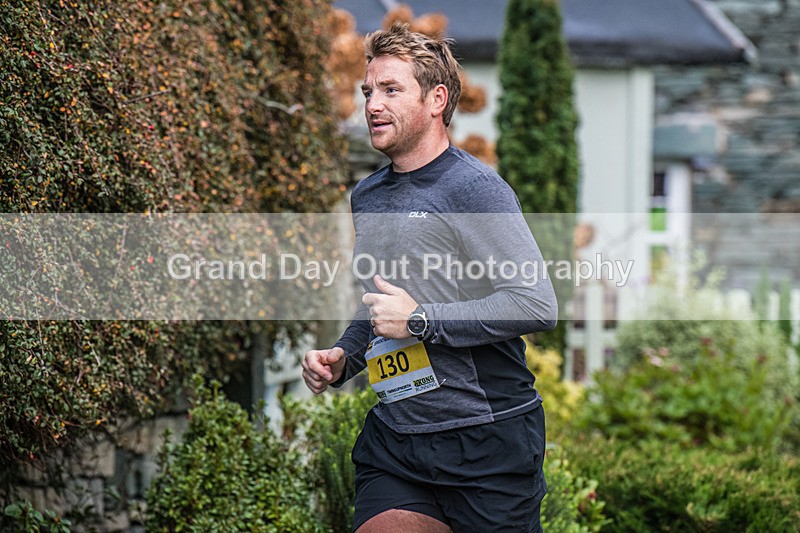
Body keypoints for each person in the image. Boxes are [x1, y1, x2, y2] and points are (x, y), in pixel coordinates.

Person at [301, 22, 557, 533]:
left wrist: (420, 320)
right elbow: (380, 305)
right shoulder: (368, 196)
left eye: (391, 90)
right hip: (397, 440)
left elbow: (535, 302)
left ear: (436, 99)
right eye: (368, 92)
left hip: (485, 439)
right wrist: (344, 357)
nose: (372, 105)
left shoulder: (474, 189)